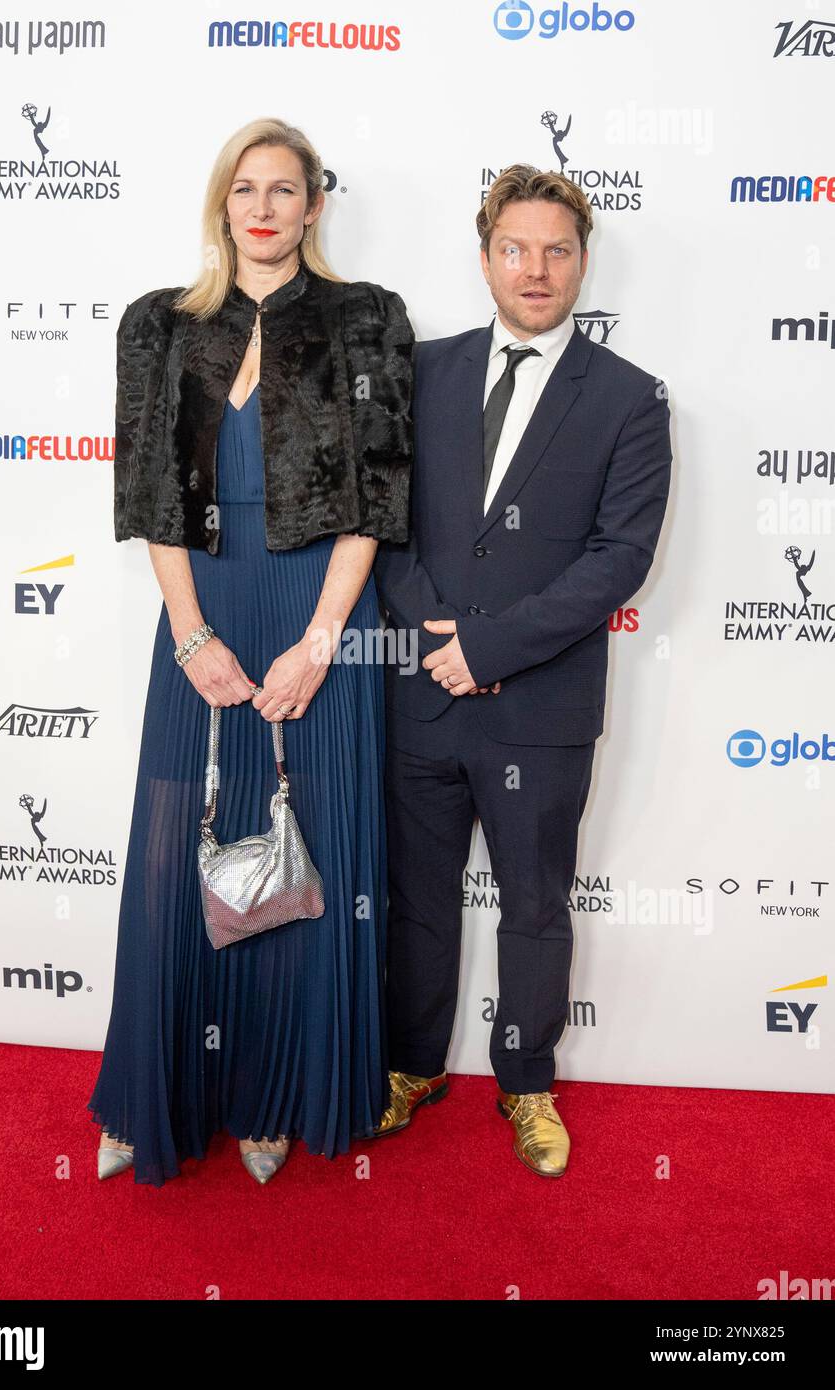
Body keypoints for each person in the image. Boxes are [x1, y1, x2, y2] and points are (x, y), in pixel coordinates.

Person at [87, 118, 414, 1185]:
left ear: (315, 205)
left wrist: (321, 642)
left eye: (286, 189)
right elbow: (151, 502)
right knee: (183, 842)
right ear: (221, 204)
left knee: (304, 850)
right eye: (246, 189)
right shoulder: (160, 326)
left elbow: (375, 500)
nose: (265, 207)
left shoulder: (366, 319)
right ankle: (157, 1094)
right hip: (204, 610)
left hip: (323, 610)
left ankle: (274, 1094)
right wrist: (191, 636)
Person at [371, 164, 672, 1177]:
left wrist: (488, 650)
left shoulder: (631, 400)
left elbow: (617, 560)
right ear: (486, 255)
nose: (535, 270)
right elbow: (388, 529)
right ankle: (411, 1067)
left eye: (557, 250)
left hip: (538, 707)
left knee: (534, 901)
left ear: (583, 261)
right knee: (417, 895)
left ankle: (527, 1081)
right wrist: (435, 641)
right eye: (515, 248)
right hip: (421, 695)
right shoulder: (425, 371)